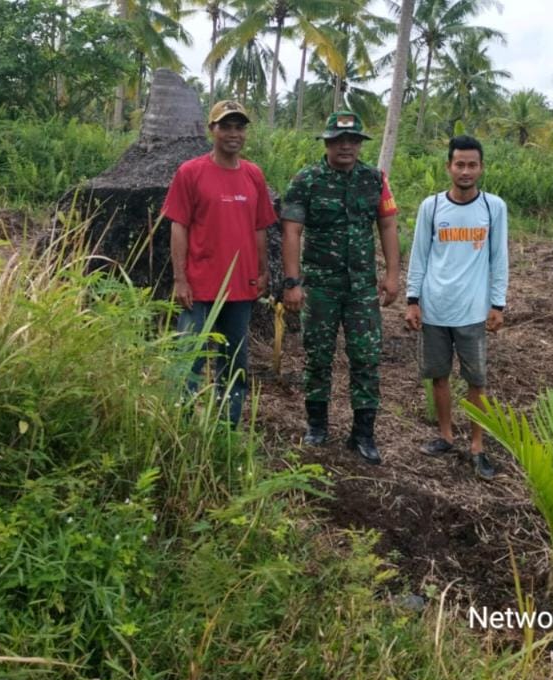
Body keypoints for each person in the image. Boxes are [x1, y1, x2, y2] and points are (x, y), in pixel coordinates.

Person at [281, 111, 400, 464]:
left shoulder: (375, 180)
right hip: (320, 287)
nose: (346, 146)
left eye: (352, 141)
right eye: (338, 140)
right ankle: (317, 427)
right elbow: (291, 231)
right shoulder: (306, 180)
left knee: (366, 358)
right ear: (327, 143)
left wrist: (392, 275)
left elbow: (388, 226)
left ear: (360, 144)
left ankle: (363, 434)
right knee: (318, 357)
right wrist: (292, 282)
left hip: (362, 287)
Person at [162, 99, 278, 428]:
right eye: (225, 126)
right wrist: (180, 279)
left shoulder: (253, 175)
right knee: (189, 362)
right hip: (198, 288)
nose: (233, 133)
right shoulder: (190, 172)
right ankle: (179, 427)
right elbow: (179, 226)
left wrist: (262, 270)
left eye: (239, 127)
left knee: (234, 364)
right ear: (211, 130)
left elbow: (259, 226)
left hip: (240, 289)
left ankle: (227, 430)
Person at [404, 135, 509, 480]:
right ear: (449, 166)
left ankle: (477, 445)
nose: (465, 171)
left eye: (472, 164)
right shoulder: (431, 207)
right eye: (459, 164)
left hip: (473, 310)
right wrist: (412, 300)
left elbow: (499, 258)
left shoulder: (494, 208)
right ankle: (446, 435)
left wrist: (498, 303)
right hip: (435, 308)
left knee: (476, 380)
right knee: (439, 376)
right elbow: (419, 256)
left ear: (480, 168)